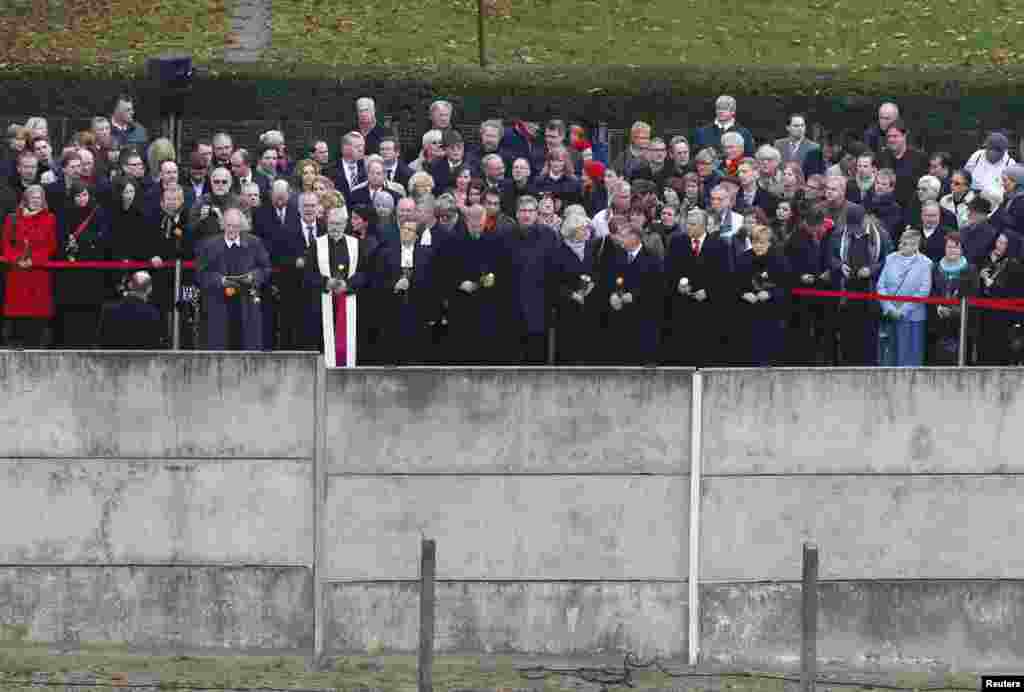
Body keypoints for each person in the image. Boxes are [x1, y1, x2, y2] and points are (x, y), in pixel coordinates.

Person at [435, 202, 509, 364]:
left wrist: (494, 278)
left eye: (481, 225)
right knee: (461, 352)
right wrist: (458, 283)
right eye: (474, 225)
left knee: (485, 352)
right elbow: (441, 271)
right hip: (461, 306)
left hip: (487, 305)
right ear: (466, 222)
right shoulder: (452, 241)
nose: (477, 229)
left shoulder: (495, 240)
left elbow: (504, 269)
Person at [304, 206, 372, 366]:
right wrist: (325, 282)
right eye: (332, 223)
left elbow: (365, 272)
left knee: (349, 342)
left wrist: (347, 284)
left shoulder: (356, 244)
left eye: (338, 223)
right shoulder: (316, 244)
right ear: (327, 223)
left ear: (345, 224)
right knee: (324, 342)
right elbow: (308, 274)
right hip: (322, 302)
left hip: (349, 301)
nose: (335, 227)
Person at [196, 207, 271, 350]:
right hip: (219, 305)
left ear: (241, 226)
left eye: (236, 226)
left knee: (247, 345)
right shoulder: (210, 245)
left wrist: (253, 277)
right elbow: (201, 273)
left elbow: (265, 268)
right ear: (223, 225)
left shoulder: (254, 243)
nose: (232, 230)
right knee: (220, 345)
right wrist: (220, 280)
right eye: (229, 225)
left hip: (246, 304)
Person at [830, 204, 892, 365]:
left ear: (865, 220)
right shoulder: (839, 234)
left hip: (870, 293)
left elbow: (889, 260)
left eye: (857, 227)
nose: (854, 231)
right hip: (847, 292)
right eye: (851, 227)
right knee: (847, 336)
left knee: (869, 336)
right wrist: (840, 266)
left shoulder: (881, 235)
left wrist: (871, 270)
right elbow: (831, 257)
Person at [503, 195, 561, 363]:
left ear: (537, 214)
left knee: (537, 355)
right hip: (512, 306)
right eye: (523, 211)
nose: (526, 215)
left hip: (540, 306)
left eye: (530, 211)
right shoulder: (505, 236)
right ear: (516, 214)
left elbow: (554, 271)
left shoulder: (549, 236)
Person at [373, 220, 438, 365]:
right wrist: (394, 285)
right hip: (392, 312)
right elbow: (376, 282)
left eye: (410, 229)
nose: (405, 231)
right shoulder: (386, 253)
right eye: (403, 228)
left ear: (416, 236)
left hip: (417, 313)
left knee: (415, 357)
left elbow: (431, 285)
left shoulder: (426, 255)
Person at [1, 184, 58, 347]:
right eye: (32, 197)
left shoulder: (50, 218)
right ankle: (15, 344)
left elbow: (51, 246)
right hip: (17, 271)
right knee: (17, 314)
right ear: (25, 199)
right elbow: (5, 244)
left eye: (39, 198)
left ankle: (35, 345)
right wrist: (16, 259)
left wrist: (34, 260)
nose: (36, 201)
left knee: (37, 315)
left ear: (43, 200)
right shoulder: (12, 218)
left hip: (38, 272)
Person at [54, 182, 109, 348]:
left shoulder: (97, 213)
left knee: (90, 309)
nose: (82, 199)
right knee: (70, 310)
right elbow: (59, 238)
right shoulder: (64, 213)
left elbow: (104, 237)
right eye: (78, 195)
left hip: (91, 270)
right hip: (70, 273)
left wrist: (83, 241)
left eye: (85, 195)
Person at [601, 220, 663, 364]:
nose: (619, 239)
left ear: (634, 238)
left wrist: (635, 296)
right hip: (621, 322)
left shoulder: (652, 259)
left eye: (623, 236)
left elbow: (656, 287)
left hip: (643, 322)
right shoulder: (615, 255)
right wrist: (612, 295)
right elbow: (608, 279)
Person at [734, 225, 790, 366]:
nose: (758, 246)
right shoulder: (743, 258)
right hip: (749, 314)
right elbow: (734, 284)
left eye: (762, 243)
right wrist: (743, 294)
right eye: (754, 242)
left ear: (769, 243)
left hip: (772, 314)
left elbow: (787, 285)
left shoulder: (779, 259)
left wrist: (771, 293)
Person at [547, 213, 598, 364]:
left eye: (587, 228)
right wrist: (571, 294)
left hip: (588, 307)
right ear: (573, 231)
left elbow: (595, 271)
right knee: (568, 352)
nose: (587, 232)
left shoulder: (590, 248)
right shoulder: (559, 252)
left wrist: (592, 284)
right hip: (567, 309)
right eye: (583, 229)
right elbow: (553, 282)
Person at [877, 229, 932, 367]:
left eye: (906, 243)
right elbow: (880, 286)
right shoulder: (890, 258)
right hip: (890, 316)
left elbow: (923, 291)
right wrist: (888, 308)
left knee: (910, 359)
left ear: (915, 246)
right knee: (889, 357)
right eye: (901, 242)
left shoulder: (926, 263)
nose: (901, 246)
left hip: (913, 317)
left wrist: (903, 310)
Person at [927, 232, 978, 365]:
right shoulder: (936, 267)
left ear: (961, 249)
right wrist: (938, 307)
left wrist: (956, 310)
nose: (952, 250)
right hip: (939, 322)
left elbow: (973, 295)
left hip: (962, 324)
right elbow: (932, 291)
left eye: (956, 247)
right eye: (949, 247)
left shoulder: (970, 269)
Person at [977, 233, 1024, 364]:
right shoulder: (985, 258)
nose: (999, 246)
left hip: (1002, 315)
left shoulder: (1014, 264)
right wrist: (980, 277)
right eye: (998, 241)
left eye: (1004, 243)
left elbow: (1015, 291)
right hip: (984, 311)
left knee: (999, 351)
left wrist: (993, 286)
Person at [96, 271, 165, 349]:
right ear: (149, 289)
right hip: (142, 360)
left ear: (130, 285)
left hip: (112, 360)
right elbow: (154, 346)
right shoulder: (153, 313)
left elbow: (100, 342)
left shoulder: (108, 309)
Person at [963, 132, 1017, 199]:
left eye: (994, 150)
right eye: (988, 148)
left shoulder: (1010, 164)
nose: (989, 152)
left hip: (997, 202)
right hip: (972, 198)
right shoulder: (977, 155)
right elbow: (964, 176)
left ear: (1003, 151)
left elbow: (1012, 190)